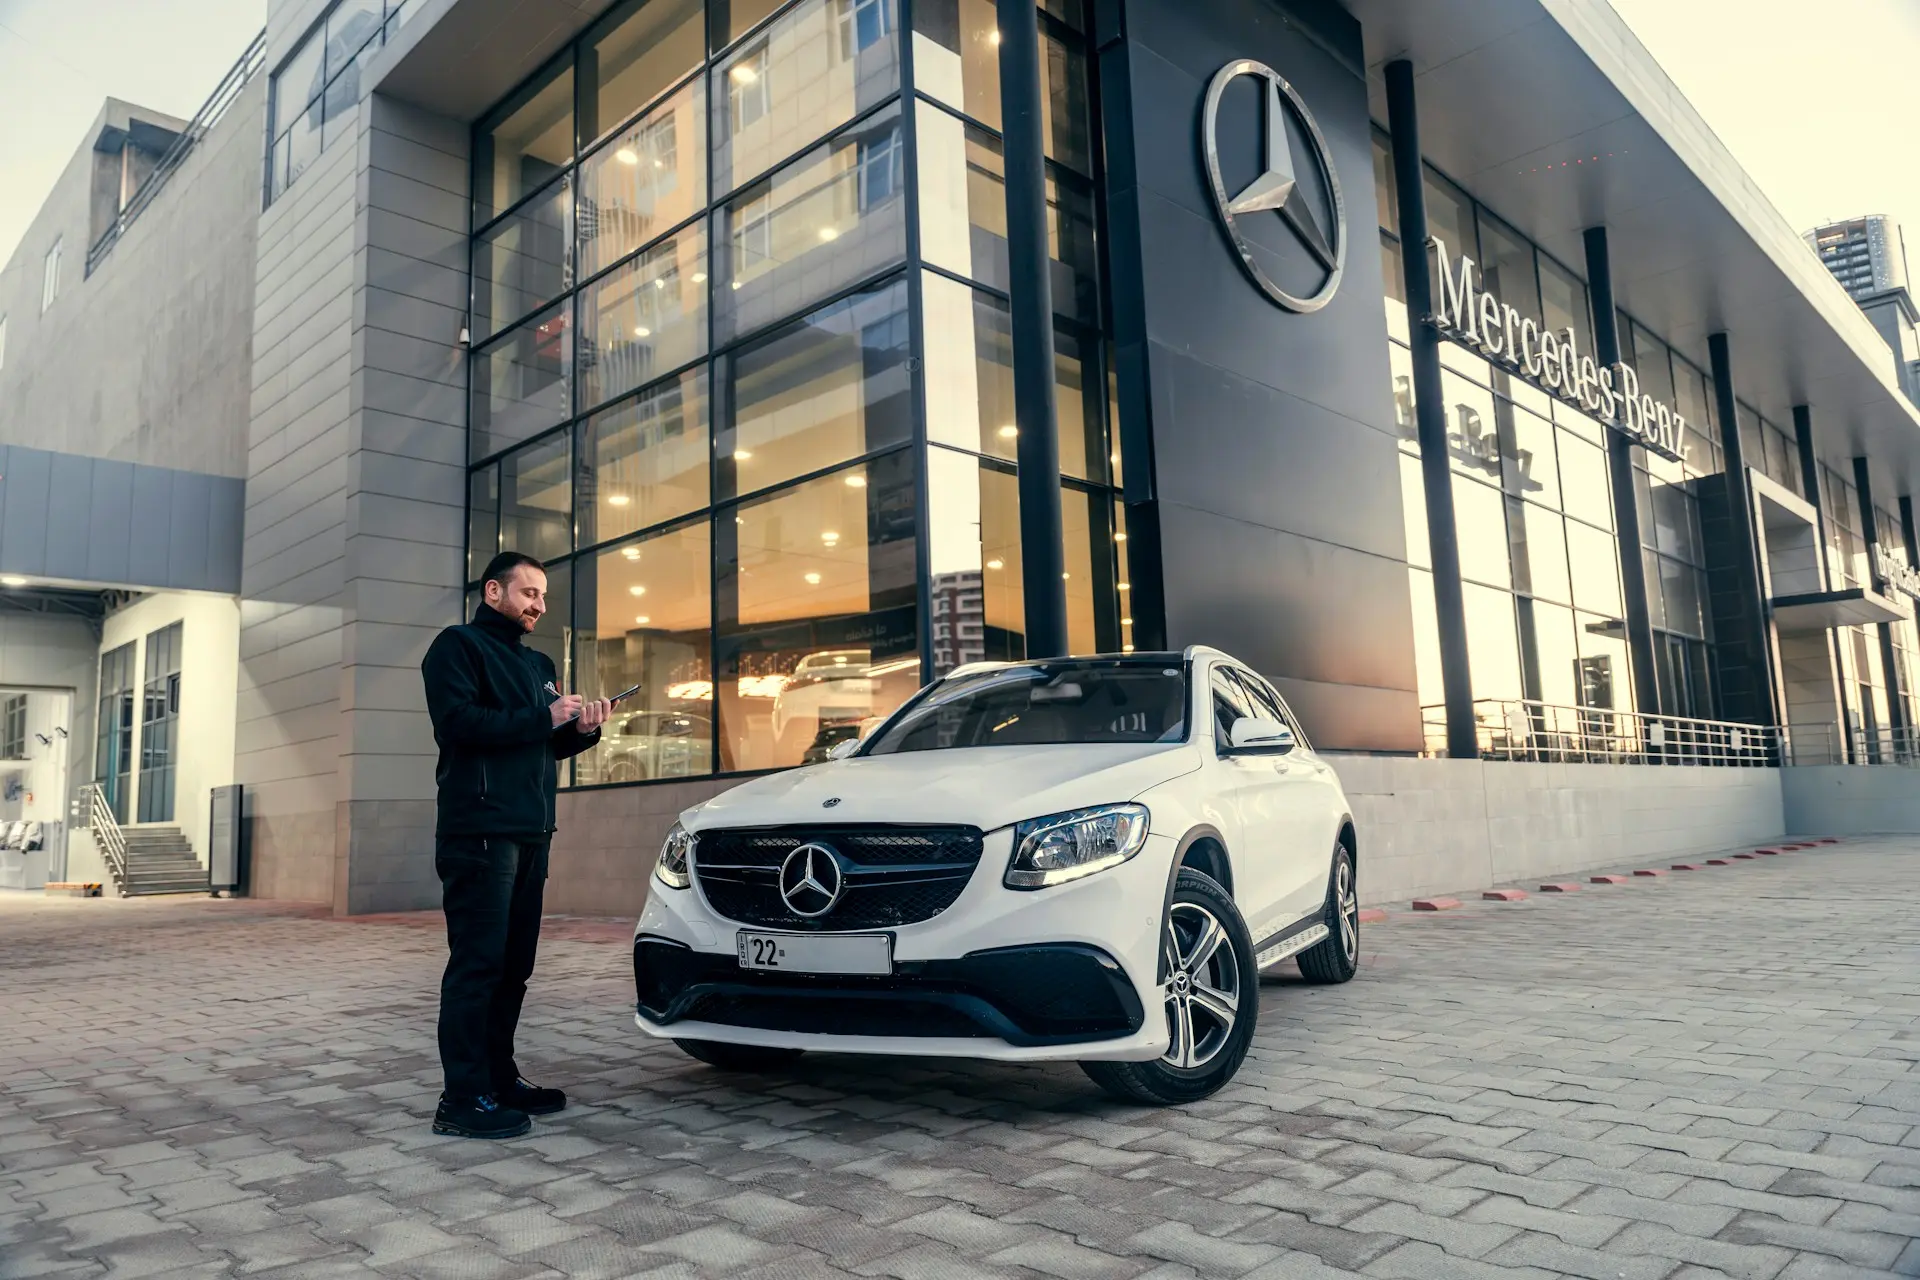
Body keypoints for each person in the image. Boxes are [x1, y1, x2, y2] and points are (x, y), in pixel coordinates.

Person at [420, 552, 612, 1139]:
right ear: (494, 591)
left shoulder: (538, 664)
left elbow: (541, 744)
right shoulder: (456, 647)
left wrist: (580, 731)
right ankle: (462, 1098)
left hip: (531, 832)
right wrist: (541, 716)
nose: (539, 605)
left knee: (513, 968)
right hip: (478, 831)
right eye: (529, 593)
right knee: (477, 966)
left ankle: (499, 1080)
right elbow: (457, 724)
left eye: (544, 597)